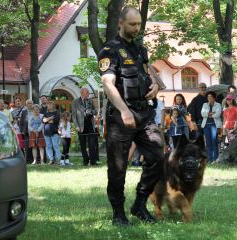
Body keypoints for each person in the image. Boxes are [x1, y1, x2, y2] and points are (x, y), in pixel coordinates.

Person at [98, 6, 164, 226]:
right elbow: (108, 83)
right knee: (118, 168)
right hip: (120, 116)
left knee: (157, 155)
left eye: (139, 24)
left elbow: (148, 74)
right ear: (121, 23)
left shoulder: (140, 49)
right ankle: (118, 213)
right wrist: (124, 111)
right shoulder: (110, 50)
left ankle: (140, 204)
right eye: (132, 24)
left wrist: (154, 85)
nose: (137, 28)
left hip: (144, 113)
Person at [72, 88, 99, 166]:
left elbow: (95, 111)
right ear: (82, 93)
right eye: (87, 93)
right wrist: (76, 126)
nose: (88, 94)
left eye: (88, 93)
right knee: (83, 145)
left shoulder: (90, 101)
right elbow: (74, 116)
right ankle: (85, 160)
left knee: (92, 144)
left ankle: (93, 161)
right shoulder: (75, 102)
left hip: (90, 125)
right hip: (81, 126)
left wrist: (91, 112)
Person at [201, 91, 222, 163]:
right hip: (206, 125)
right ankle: (210, 159)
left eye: (211, 97)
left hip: (214, 125)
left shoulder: (218, 105)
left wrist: (209, 114)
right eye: (208, 97)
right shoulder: (205, 104)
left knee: (214, 141)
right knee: (208, 142)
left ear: (214, 98)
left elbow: (218, 115)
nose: (209, 98)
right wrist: (211, 114)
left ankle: (215, 158)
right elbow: (203, 114)